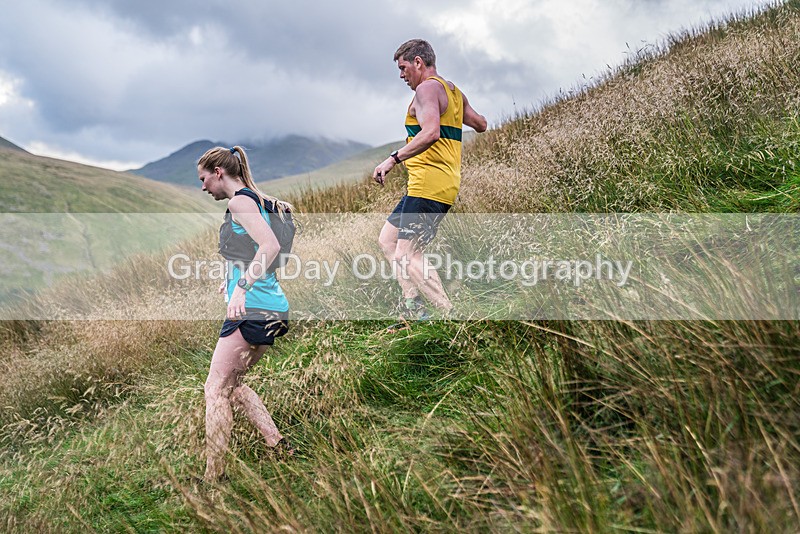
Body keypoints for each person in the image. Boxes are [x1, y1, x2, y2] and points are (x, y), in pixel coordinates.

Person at [373, 39, 487, 331]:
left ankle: (452, 321)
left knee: (409, 254)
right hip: (434, 184)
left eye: (403, 67)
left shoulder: (426, 89)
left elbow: (431, 132)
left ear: (418, 63)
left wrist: (392, 159)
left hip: (429, 184)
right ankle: (413, 308)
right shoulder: (451, 90)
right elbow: (481, 124)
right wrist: (457, 113)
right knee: (387, 239)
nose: (401, 75)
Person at [197, 146, 293, 483]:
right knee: (233, 385)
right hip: (268, 307)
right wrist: (231, 284)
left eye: (204, 178)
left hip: (253, 308)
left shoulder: (240, 202)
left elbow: (269, 246)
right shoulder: (250, 198)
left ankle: (213, 477)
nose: (203, 186)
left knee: (216, 390)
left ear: (218, 172)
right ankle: (277, 444)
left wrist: (242, 288)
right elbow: (252, 251)